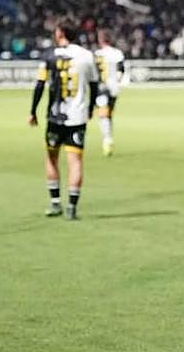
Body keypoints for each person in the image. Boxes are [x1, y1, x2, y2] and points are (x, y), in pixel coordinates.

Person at [28, 19, 99, 219]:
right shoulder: (87, 56)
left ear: (60, 33)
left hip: (55, 117)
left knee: (51, 158)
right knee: (75, 162)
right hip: (78, 116)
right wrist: (91, 108)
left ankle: (55, 203)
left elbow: (40, 85)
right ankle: (72, 208)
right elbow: (94, 86)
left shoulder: (49, 55)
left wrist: (32, 111)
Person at [93, 29, 127, 156]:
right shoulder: (117, 53)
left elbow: (94, 72)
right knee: (109, 114)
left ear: (100, 39)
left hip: (102, 87)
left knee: (103, 115)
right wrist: (117, 83)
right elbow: (121, 69)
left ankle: (107, 139)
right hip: (114, 88)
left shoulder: (97, 54)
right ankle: (108, 138)